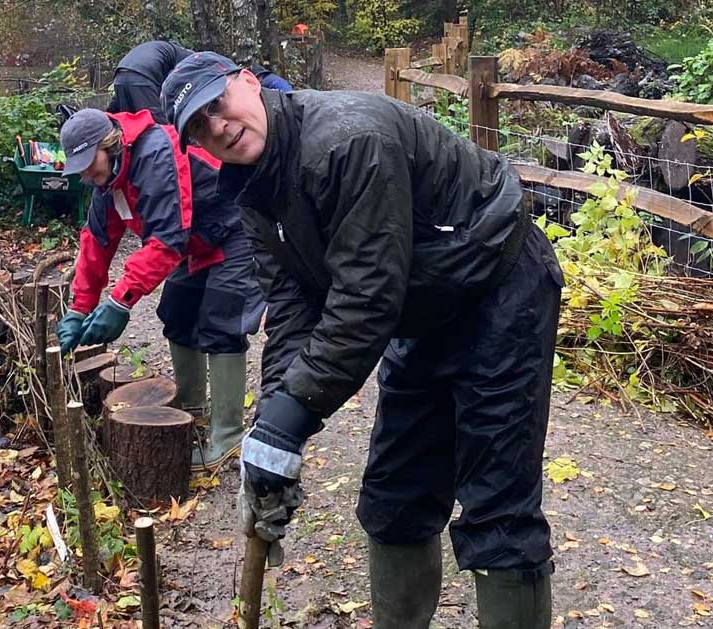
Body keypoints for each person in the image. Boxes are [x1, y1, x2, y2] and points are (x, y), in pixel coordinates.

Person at [161, 52, 563, 628]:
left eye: (217, 105)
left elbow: (364, 302)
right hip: (421, 309)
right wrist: (272, 434)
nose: (217, 127)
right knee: (394, 497)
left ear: (247, 82)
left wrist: (293, 417)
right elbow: (294, 310)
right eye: (198, 127)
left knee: (497, 506)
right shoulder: (255, 194)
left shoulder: (348, 140)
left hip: (499, 293)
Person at [55, 108, 264, 471]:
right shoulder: (107, 180)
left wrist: (120, 301)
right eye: (81, 167)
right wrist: (80, 307)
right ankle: (193, 409)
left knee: (220, 320)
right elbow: (97, 241)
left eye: (90, 162)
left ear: (111, 144)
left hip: (237, 227)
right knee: (177, 313)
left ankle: (228, 435)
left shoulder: (155, 152)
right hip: (194, 240)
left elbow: (167, 239)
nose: (87, 173)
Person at [107, 40, 194, 123]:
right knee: (158, 125)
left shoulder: (165, 49)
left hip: (120, 76)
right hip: (142, 77)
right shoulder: (189, 59)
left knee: (123, 120)